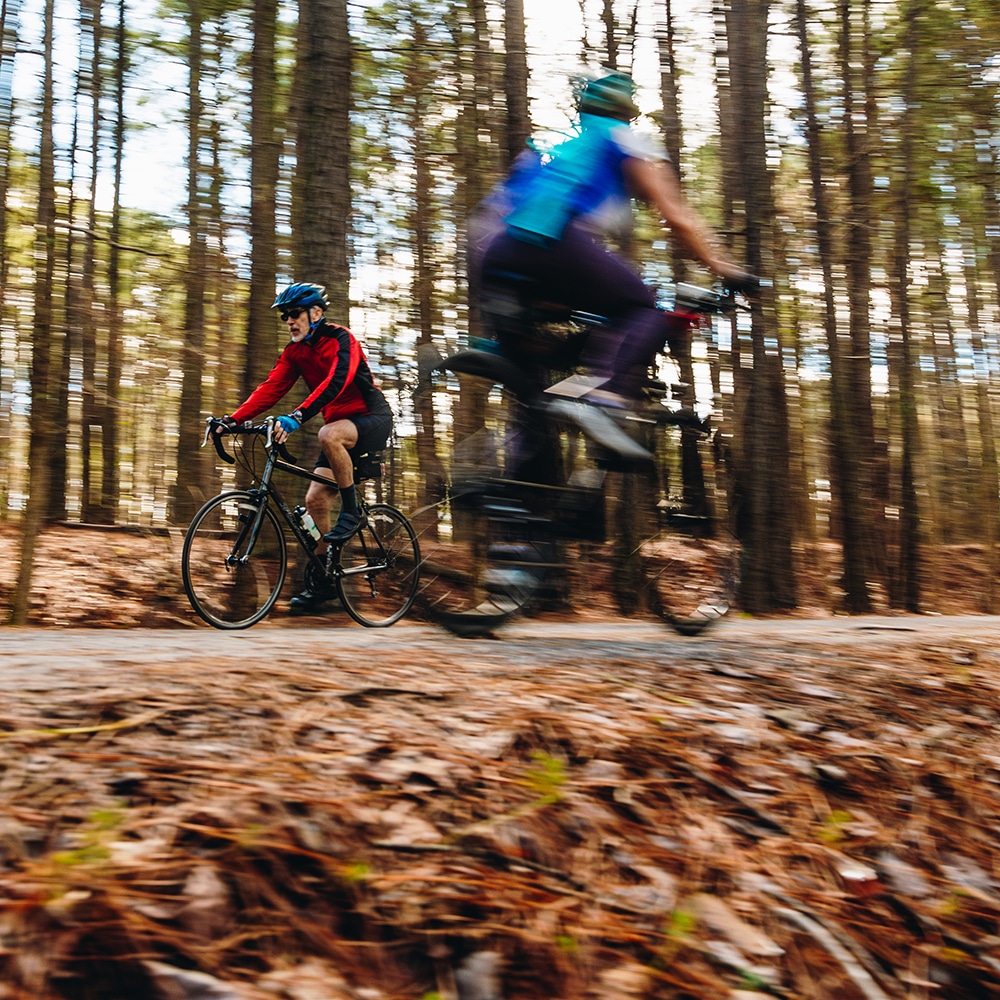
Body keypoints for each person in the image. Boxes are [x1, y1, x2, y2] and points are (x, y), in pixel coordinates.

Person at [476, 70, 757, 406]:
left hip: (498, 255)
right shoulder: (624, 138)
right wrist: (726, 269)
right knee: (641, 309)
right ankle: (602, 391)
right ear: (628, 111)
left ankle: (537, 433)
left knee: (533, 390)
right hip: (553, 242)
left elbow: (497, 206)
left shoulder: (562, 146)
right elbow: (676, 217)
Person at [218, 282, 393, 613]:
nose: (289, 321)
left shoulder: (342, 339)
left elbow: (337, 381)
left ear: (316, 313)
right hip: (340, 429)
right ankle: (327, 579)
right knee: (314, 500)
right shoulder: (295, 352)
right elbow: (271, 388)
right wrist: (233, 419)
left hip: (372, 419)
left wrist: (297, 416)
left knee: (328, 434)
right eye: (285, 316)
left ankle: (352, 512)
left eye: (294, 314)